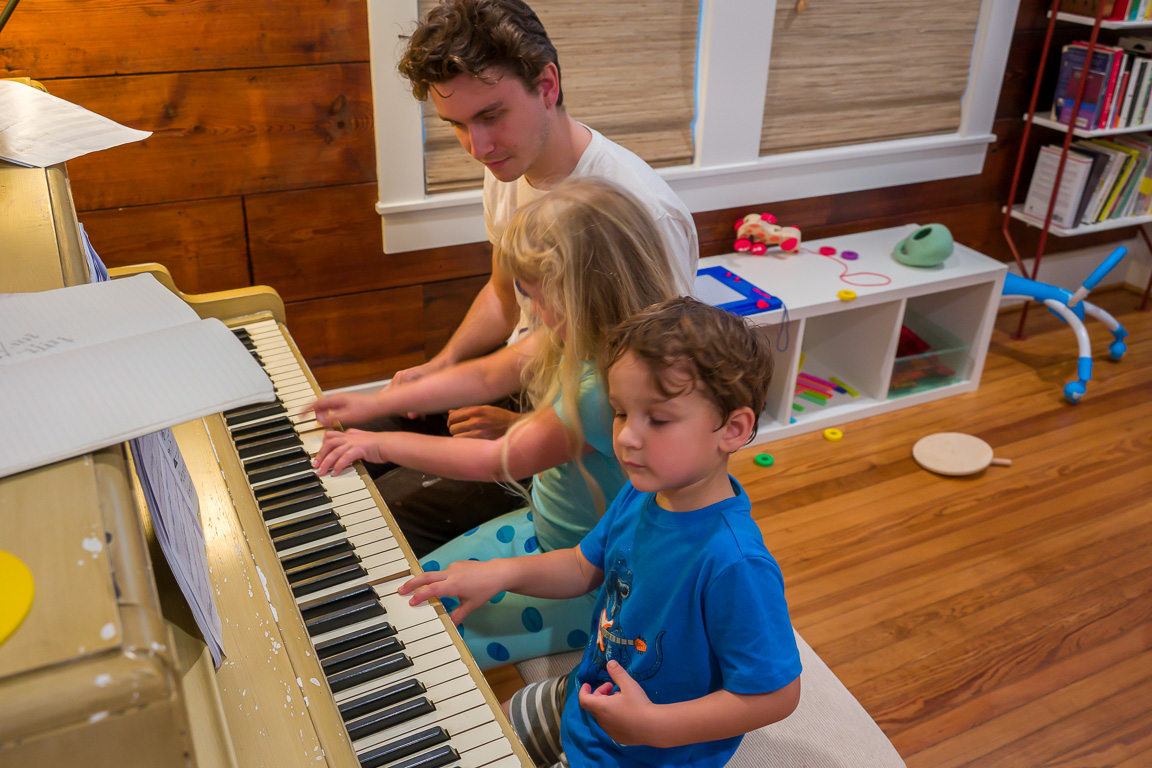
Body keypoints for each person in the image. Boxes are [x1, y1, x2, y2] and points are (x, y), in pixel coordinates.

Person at [332, 0, 700, 554]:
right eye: (456, 125)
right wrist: (443, 365)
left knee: (380, 525)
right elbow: (504, 298)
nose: (476, 148)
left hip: (580, 433)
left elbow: (653, 404)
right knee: (348, 447)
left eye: (490, 116)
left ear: (547, 85)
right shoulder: (508, 166)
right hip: (526, 388)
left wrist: (516, 429)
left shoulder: (639, 211)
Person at [399, 296, 803, 768]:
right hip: (585, 693)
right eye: (620, 412)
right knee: (483, 734)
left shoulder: (735, 563)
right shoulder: (641, 494)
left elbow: (777, 695)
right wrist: (499, 573)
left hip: (641, 752)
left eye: (658, 419)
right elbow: (579, 565)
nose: (627, 436)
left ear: (732, 429)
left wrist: (652, 725)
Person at [313, 178, 678, 664]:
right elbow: (489, 372)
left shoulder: (603, 389)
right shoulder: (586, 332)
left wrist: (381, 445)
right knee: (414, 589)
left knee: (418, 639)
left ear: (580, 291)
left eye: (537, 297)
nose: (534, 312)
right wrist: (375, 403)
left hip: (597, 581)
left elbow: (494, 460)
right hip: (550, 536)